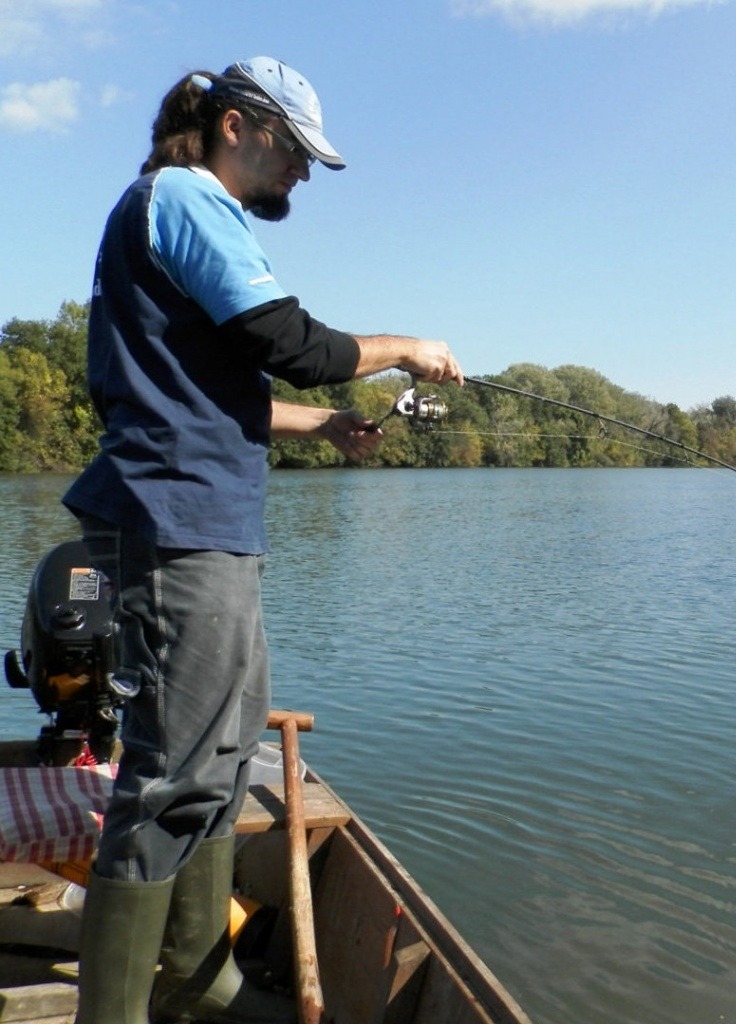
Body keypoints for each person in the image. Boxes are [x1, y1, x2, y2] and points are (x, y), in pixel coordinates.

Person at [61, 57, 462, 1024]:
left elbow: (217, 394)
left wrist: (325, 429)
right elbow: (299, 345)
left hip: (210, 528)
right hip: (174, 527)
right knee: (174, 777)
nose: (305, 176)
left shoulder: (188, 215)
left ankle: (206, 980)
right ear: (239, 126)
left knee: (230, 753)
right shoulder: (187, 198)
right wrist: (404, 346)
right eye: (296, 152)